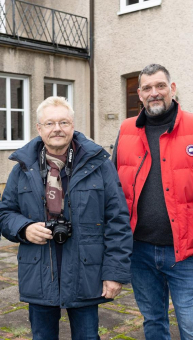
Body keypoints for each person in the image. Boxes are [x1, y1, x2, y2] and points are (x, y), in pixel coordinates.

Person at [112, 64, 193, 340]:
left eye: (160, 86)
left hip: (188, 253)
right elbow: (114, 191)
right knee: (153, 323)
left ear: (173, 89)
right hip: (140, 251)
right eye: (147, 88)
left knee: (192, 329)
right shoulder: (126, 130)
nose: (154, 93)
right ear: (140, 95)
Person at [0, 96, 133, 340]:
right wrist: (25, 228)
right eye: (49, 123)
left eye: (63, 122)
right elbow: (5, 213)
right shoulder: (22, 166)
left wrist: (114, 273)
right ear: (39, 129)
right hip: (38, 272)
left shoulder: (98, 163)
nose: (57, 129)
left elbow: (118, 220)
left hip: (85, 272)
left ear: (73, 125)